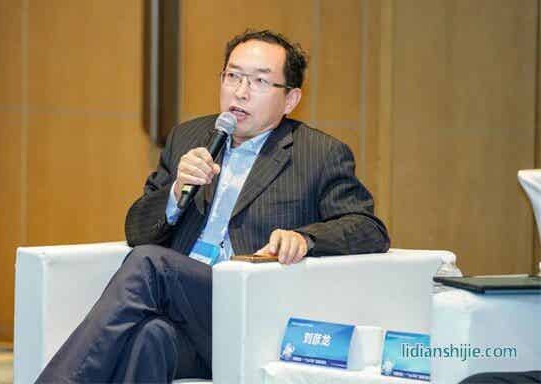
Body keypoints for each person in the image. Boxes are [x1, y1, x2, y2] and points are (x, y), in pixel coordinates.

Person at [36, 29, 390, 384]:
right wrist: (175, 193)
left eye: (259, 81)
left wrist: (305, 238)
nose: (240, 92)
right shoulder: (189, 137)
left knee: (150, 264)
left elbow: (368, 228)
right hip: (190, 316)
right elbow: (137, 231)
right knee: (151, 337)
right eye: (233, 76)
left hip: (252, 311)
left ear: (290, 99)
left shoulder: (318, 154)